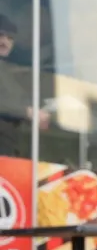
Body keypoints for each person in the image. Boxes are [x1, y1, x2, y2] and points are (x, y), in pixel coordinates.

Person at [0, 13, 49, 158]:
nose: (5, 41)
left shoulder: (9, 72)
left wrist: (40, 112)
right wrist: (26, 112)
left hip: (10, 151)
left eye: (10, 38)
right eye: (1, 35)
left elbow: (19, 102)